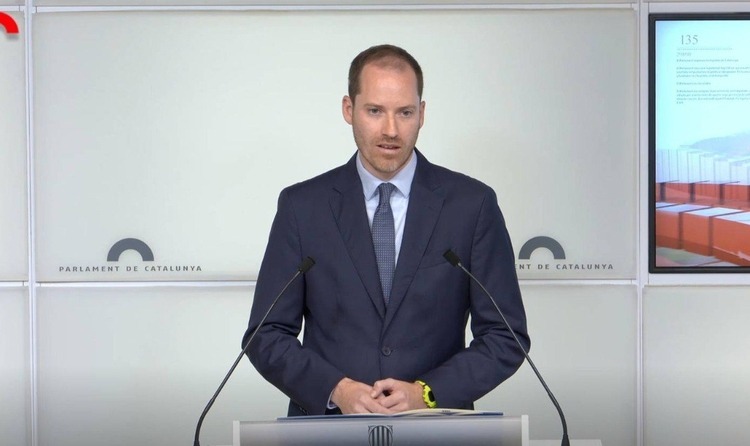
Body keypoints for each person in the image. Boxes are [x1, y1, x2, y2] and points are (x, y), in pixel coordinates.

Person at [243, 44, 529, 416]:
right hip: (327, 432)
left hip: (436, 431)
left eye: (405, 112)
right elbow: (265, 335)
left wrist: (425, 393)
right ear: (349, 110)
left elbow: (506, 337)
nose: (391, 130)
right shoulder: (302, 207)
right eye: (375, 111)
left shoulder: (471, 206)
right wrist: (337, 390)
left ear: (422, 114)